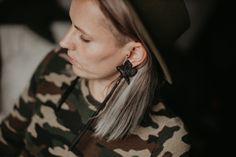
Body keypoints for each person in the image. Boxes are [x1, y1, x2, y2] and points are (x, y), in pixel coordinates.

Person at [0, 0, 191, 156]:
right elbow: (8, 139)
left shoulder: (167, 144)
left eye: (84, 37)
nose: (64, 42)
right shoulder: (57, 62)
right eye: (71, 25)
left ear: (133, 54)